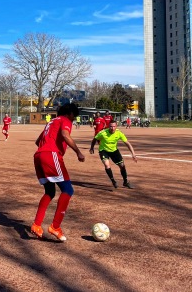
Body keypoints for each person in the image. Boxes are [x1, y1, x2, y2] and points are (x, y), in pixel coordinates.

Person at [30, 103, 85, 242]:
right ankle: (55, 226)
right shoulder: (65, 120)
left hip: (39, 156)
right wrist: (78, 152)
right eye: (74, 116)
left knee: (50, 192)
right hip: (51, 155)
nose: (74, 119)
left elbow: (38, 141)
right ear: (70, 113)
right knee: (68, 189)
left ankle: (37, 225)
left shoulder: (51, 122)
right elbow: (65, 135)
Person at [90, 121, 137, 189]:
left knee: (122, 166)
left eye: (114, 126)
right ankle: (113, 181)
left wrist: (133, 154)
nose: (112, 128)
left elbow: (127, 143)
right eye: (111, 126)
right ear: (109, 126)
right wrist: (92, 148)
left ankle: (125, 182)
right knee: (107, 165)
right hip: (103, 150)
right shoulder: (103, 133)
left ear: (116, 126)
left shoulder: (119, 133)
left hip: (114, 151)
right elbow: (94, 139)